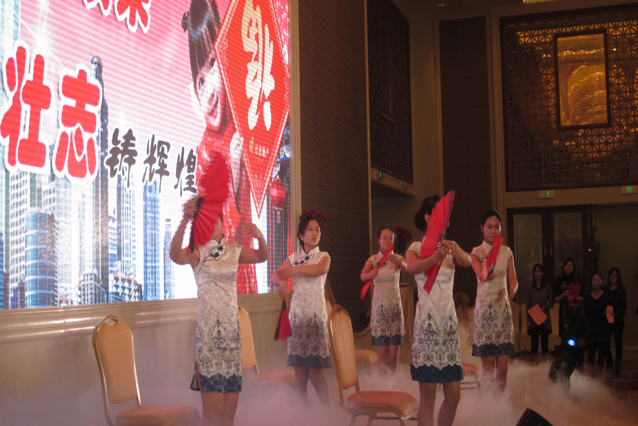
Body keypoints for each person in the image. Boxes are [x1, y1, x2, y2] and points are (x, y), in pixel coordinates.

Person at [170, 199, 269, 426]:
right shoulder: (197, 251)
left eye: (212, 216)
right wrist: (185, 220)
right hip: (209, 339)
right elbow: (175, 255)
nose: (208, 221)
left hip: (231, 339)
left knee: (228, 415)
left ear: (222, 220)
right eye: (202, 218)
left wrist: (260, 237)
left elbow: (261, 256)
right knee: (212, 415)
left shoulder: (233, 250)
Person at [183, 0, 257, 294]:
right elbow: (219, 232)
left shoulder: (241, 119)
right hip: (226, 276)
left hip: (246, 270)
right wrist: (235, 173)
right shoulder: (206, 150)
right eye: (200, 82)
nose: (209, 93)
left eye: (213, 64)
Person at [407, 196, 472, 426]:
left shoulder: (450, 247)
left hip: (448, 327)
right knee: (428, 399)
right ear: (428, 218)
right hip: (427, 327)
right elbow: (412, 267)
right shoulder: (416, 247)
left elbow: (468, 261)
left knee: (454, 397)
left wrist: (456, 249)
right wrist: (435, 257)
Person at [272, 211, 331, 405]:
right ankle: (303, 417)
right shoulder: (294, 257)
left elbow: (321, 269)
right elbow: (275, 276)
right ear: (301, 235)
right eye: (310, 229)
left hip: (315, 319)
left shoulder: (323, 256)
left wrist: (295, 269)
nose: (315, 233)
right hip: (297, 319)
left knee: (316, 375)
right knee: (300, 379)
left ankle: (328, 414)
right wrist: (282, 282)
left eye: (318, 229)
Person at [470, 209, 518, 392]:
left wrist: (513, 289)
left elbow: (513, 279)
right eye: (489, 227)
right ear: (482, 228)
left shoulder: (506, 251)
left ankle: (500, 404)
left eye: (496, 227)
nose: (493, 231)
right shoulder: (477, 251)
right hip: (484, 313)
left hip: (502, 311)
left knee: (503, 370)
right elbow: (479, 272)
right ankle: (488, 405)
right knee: (489, 371)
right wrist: (484, 274)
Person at [360, 226, 408, 374]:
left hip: (394, 310)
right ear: (378, 240)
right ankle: (381, 384)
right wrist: (370, 274)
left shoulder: (397, 258)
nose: (388, 241)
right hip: (379, 310)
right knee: (382, 355)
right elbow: (362, 276)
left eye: (391, 238)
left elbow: (406, 268)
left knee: (393, 355)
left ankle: (392, 384)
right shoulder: (373, 259)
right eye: (385, 238)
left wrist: (398, 261)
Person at [583, 272, 613, 383]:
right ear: (591, 282)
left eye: (598, 280)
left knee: (606, 351)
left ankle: (609, 377)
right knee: (591, 353)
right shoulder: (588, 296)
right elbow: (585, 312)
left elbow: (609, 311)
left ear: (601, 282)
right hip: (591, 326)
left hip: (602, 326)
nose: (595, 282)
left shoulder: (605, 295)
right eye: (594, 280)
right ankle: (591, 377)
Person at [526, 264, 554, 355]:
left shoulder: (547, 287)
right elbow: (528, 305)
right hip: (533, 319)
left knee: (545, 345)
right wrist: (528, 320)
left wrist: (545, 307)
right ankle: (533, 363)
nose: (537, 274)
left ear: (542, 273)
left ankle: (545, 363)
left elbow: (551, 303)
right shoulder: (530, 288)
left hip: (544, 317)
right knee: (534, 346)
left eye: (539, 271)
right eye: (535, 271)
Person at [554, 258, 583, 345]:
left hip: (575, 312)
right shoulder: (559, 280)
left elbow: (583, 297)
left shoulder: (577, 280)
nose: (568, 267)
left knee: (575, 339)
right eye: (566, 265)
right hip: (564, 313)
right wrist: (564, 294)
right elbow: (555, 299)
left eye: (570, 266)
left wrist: (574, 299)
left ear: (573, 267)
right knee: (565, 339)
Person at [606, 267, 627, 377]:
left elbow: (624, 306)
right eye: (611, 275)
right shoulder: (606, 289)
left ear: (618, 277)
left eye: (614, 276)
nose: (612, 278)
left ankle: (617, 366)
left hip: (618, 319)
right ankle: (609, 363)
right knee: (606, 342)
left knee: (618, 343)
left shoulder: (621, 289)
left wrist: (616, 313)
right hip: (608, 319)